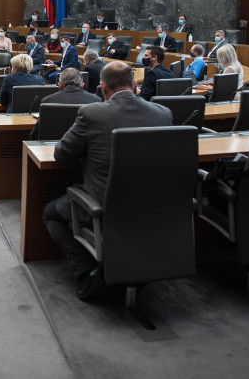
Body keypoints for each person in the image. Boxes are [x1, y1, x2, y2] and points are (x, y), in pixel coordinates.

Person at [44, 61, 172, 300]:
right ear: (135, 86)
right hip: (155, 204)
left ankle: (89, 272)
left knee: (51, 213)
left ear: (102, 89)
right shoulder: (164, 113)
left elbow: (62, 155)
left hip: (103, 204)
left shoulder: (92, 113)